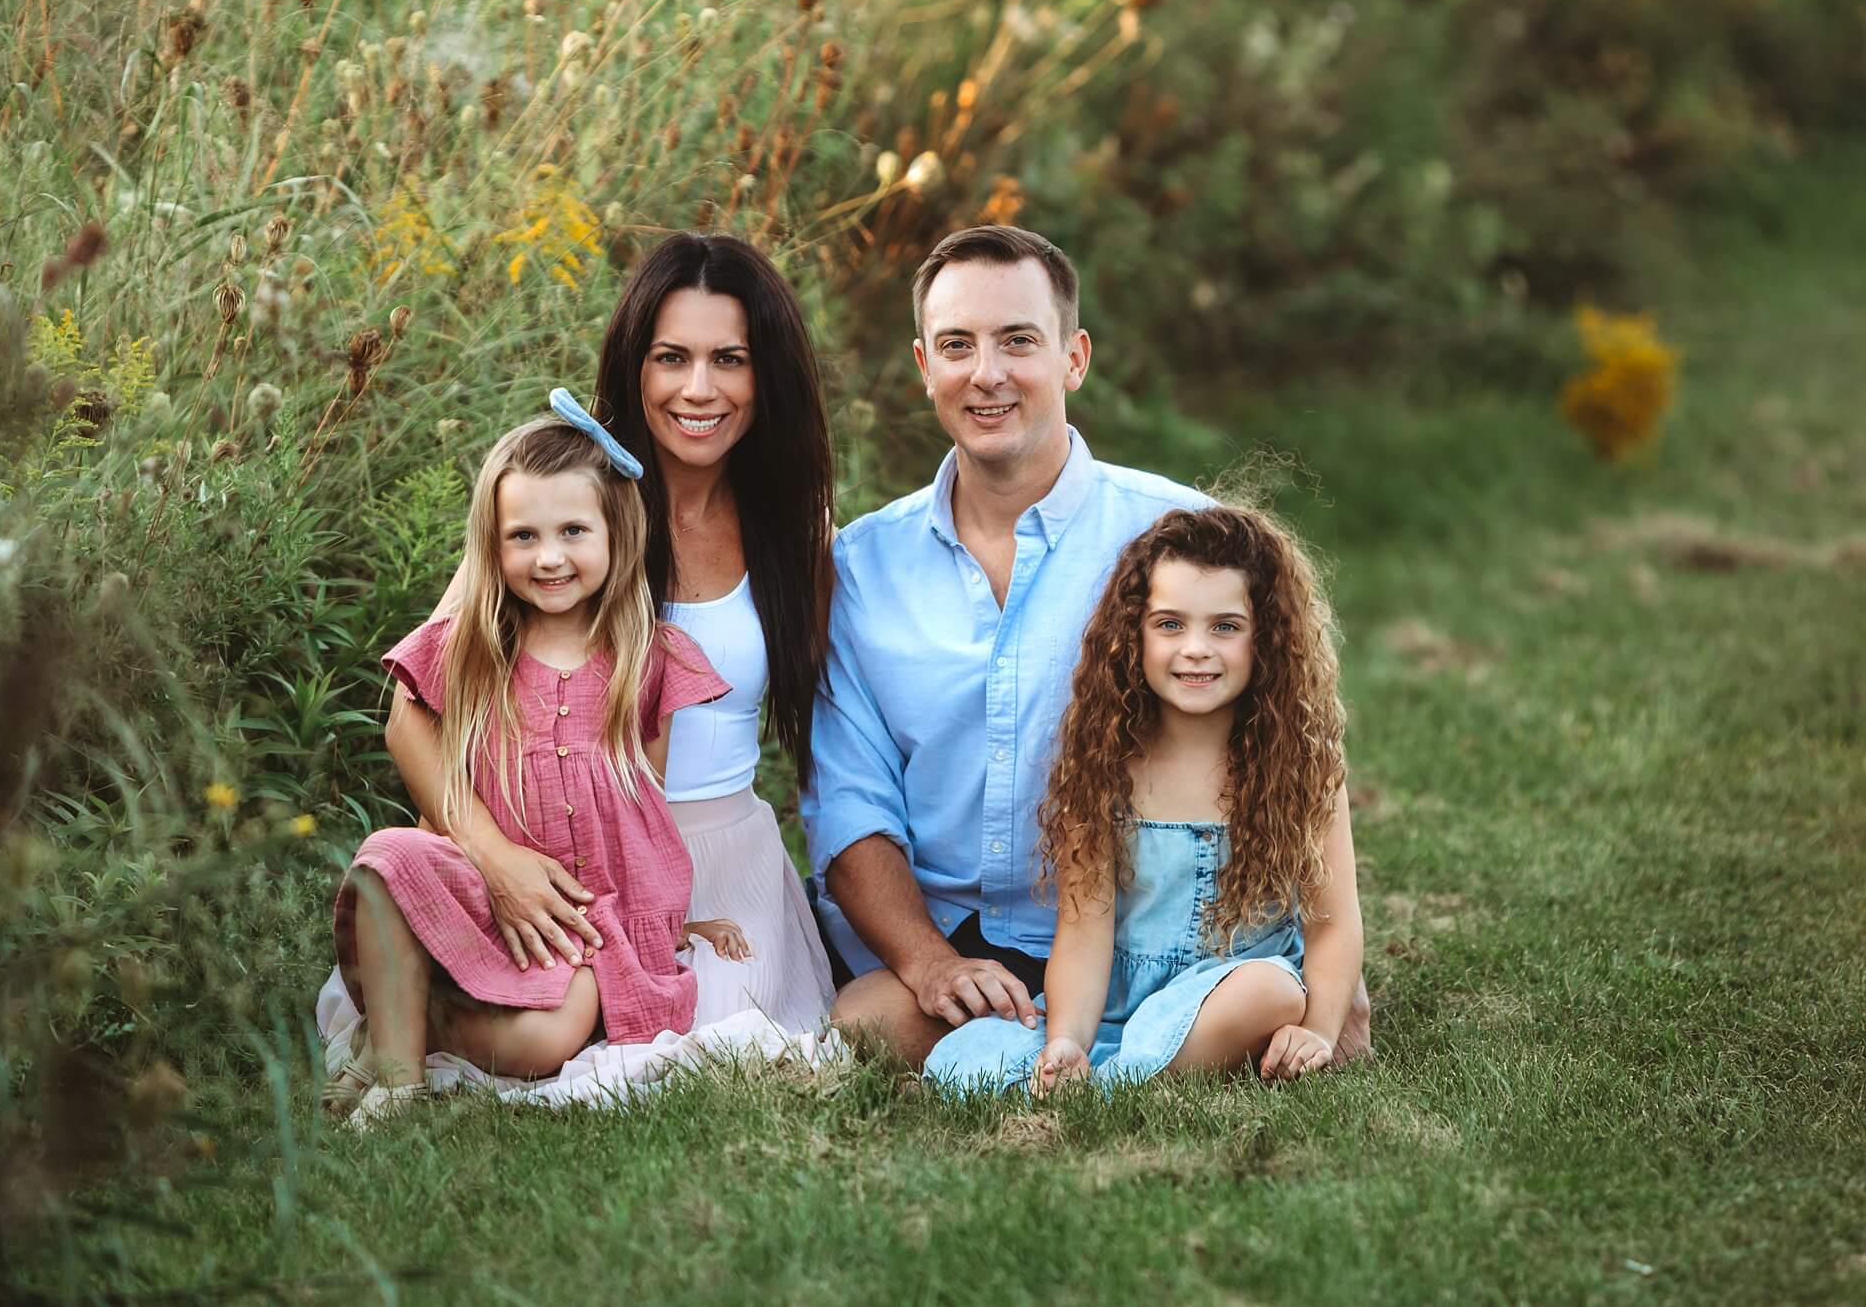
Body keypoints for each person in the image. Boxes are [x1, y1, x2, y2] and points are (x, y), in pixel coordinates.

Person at [802, 224, 1371, 1069]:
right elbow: (850, 809)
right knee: (865, 1021)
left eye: (1018, 341)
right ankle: (1086, 1054)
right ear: (925, 366)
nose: (986, 373)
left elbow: (1284, 726)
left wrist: (1329, 989)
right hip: (961, 945)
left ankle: (1148, 1040)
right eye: (957, 345)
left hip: (1156, 935)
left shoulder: (1172, 545)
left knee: (1291, 1007)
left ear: (1075, 357)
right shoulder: (861, 569)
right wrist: (929, 963)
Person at [334, 234, 836, 1088]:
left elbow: (833, 737)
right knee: (578, 1042)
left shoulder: (795, 524)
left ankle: (457, 1021)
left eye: (730, 360)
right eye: (671, 357)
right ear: (634, 365)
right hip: (539, 850)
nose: (699, 388)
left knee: (711, 1046)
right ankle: (423, 1017)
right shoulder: (563, 503)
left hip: (718, 858)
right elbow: (410, 716)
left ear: (768, 375)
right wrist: (495, 858)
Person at [323, 401, 737, 1128]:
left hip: (584, 916)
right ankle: (395, 1067)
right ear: (493, 544)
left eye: (573, 531)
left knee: (546, 1040)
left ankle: (416, 1018)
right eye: (523, 536)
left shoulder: (647, 657)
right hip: (483, 885)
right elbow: (423, 763)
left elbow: (646, 805)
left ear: (617, 533)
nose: (549, 557)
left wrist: (667, 918)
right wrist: (478, 860)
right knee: (385, 854)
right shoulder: (471, 650)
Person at [925, 506, 1363, 1092]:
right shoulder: (1103, 764)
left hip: (1233, 994)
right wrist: (1066, 1040)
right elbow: (1083, 932)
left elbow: (1333, 924)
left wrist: (1320, 1031)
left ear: (1267, 639)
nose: (1197, 649)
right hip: (1118, 1008)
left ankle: (1116, 1089)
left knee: (1272, 992)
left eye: (1226, 627)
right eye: (1170, 624)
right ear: (1134, 631)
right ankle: (1105, 1072)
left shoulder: (1301, 766)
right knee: (973, 1056)